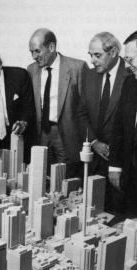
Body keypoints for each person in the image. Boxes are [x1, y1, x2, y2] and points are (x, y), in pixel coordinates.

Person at [77, 32, 128, 213]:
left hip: (122, 163)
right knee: (94, 211)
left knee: (119, 215)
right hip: (94, 160)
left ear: (113, 52)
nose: (92, 60)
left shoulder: (131, 74)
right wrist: (94, 142)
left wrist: (116, 153)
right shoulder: (89, 76)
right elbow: (81, 114)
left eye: (97, 55)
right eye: (90, 55)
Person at [28, 28, 88, 177]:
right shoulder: (31, 70)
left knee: (66, 178)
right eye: (31, 52)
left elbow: (86, 108)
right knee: (42, 176)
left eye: (37, 51)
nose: (34, 56)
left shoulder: (77, 68)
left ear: (51, 47)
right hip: (41, 133)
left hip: (67, 134)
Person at [109, 31, 137, 216]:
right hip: (131, 177)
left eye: (131, 59)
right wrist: (115, 167)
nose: (126, 66)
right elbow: (118, 127)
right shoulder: (129, 83)